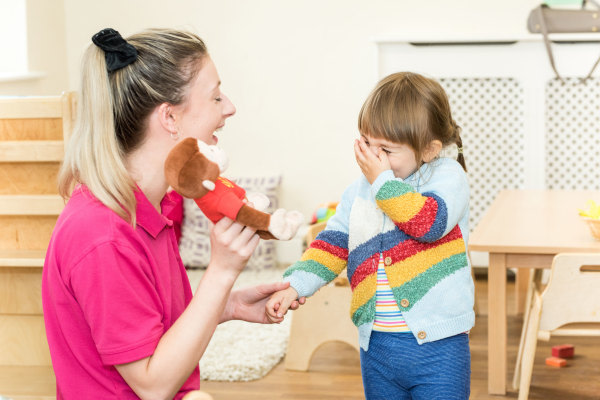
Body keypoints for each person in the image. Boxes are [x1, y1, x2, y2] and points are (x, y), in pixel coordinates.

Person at [42, 28, 303, 400]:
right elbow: (153, 385)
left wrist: (224, 305)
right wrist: (221, 271)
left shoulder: (151, 208)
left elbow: (148, 320)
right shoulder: (102, 236)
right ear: (169, 118)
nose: (229, 107)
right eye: (215, 96)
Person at [266, 72, 474, 399]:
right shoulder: (360, 191)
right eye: (367, 144)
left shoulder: (447, 177)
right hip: (376, 347)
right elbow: (333, 242)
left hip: (439, 348)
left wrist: (381, 183)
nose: (375, 160)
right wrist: (295, 285)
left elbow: (428, 223)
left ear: (430, 149)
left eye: (387, 150)